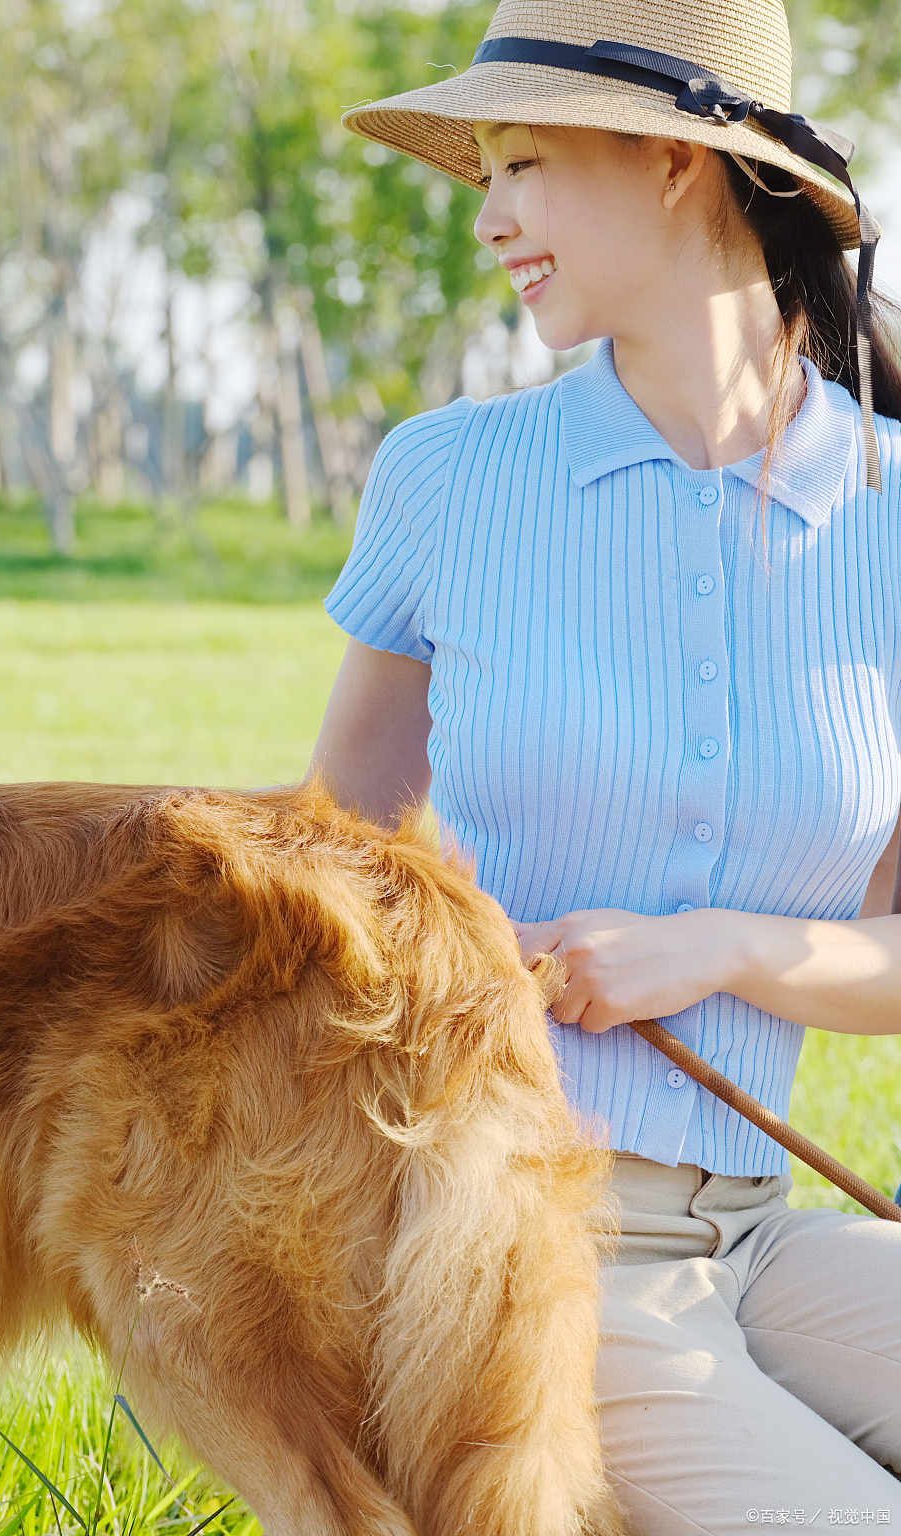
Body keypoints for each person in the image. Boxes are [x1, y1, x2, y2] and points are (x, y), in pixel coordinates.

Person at [311, 1, 901, 1528]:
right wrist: (455, 956)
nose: (491, 218)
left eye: (522, 163)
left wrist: (718, 949)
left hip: (762, 1239)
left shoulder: (897, 517)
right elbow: (321, 879)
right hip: (509, 1232)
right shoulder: (450, 479)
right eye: (484, 173)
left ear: (675, 166)